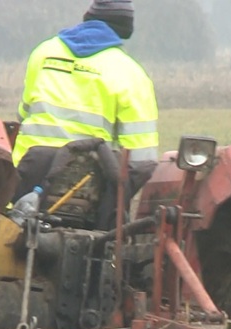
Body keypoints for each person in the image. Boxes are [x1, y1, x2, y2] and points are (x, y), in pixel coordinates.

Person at [11, 0, 159, 207]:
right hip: (88, 196)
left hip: (25, 181)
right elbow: (142, 161)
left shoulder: (43, 53)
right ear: (124, 30)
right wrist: (115, 200)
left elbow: (23, 114)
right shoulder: (132, 74)